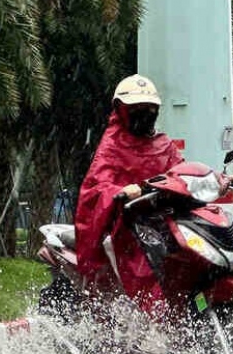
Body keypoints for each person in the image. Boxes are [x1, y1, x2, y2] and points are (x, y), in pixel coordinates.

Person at [74, 75, 191, 319]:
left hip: (165, 221)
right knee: (144, 270)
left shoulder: (163, 143)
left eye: (149, 109)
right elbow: (97, 186)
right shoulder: (112, 146)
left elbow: (181, 170)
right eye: (137, 109)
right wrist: (122, 191)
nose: (145, 114)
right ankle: (148, 322)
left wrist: (216, 179)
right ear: (121, 110)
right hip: (128, 225)